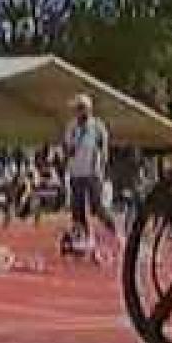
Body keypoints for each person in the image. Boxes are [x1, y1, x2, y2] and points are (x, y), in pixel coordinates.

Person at [62, 93, 121, 247]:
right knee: (77, 209)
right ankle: (84, 239)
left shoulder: (98, 127)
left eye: (78, 108)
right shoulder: (71, 127)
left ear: (86, 109)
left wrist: (101, 166)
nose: (76, 112)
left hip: (93, 173)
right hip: (76, 173)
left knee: (97, 207)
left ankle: (117, 232)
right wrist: (69, 153)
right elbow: (68, 149)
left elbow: (104, 149)